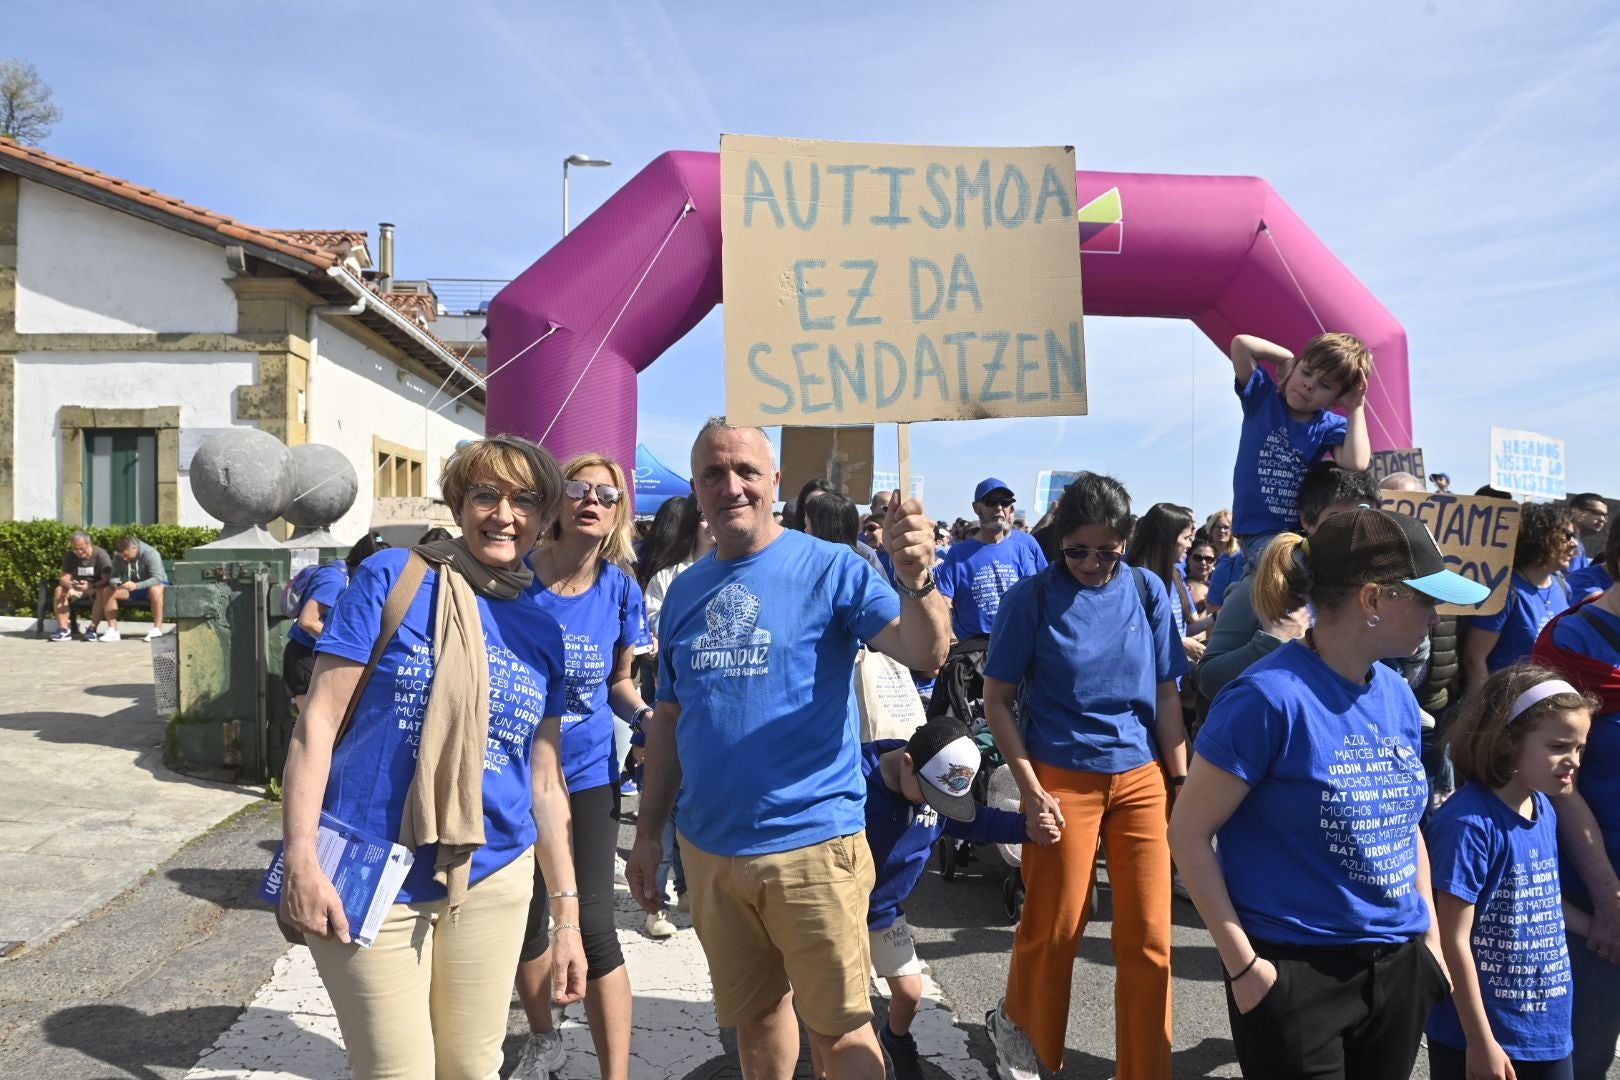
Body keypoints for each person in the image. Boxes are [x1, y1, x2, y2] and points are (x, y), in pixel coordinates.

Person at [626, 417, 949, 1080]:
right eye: (714, 473)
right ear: (696, 487)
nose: (732, 485)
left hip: (813, 847)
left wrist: (918, 580)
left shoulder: (829, 567)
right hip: (711, 851)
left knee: (841, 1033)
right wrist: (650, 833)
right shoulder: (684, 590)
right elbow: (669, 717)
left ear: (774, 481)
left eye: (746, 470)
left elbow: (925, 651)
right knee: (757, 1022)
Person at [277, 435, 586, 1079]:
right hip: (366, 869)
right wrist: (302, 861)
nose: (506, 514)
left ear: (546, 515)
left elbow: (545, 779)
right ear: (458, 502)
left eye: (526, 500)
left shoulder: (543, 628)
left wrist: (567, 918)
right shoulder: (393, 577)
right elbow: (316, 727)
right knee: (396, 1070)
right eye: (486, 495)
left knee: (472, 1068)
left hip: (493, 875)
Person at [1170, 507, 1489, 1079]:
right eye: (1425, 599)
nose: (1437, 616)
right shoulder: (1267, 699)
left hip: (1397, 969)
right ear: (1373, 600)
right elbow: (1188, 833)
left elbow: (1404, 822)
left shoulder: (1393, 691)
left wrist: (1430, 946)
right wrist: (1246, 968)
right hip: (1294, 975)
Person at [982, 472, 1189, 1080]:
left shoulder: (1149, 590)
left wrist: (1183, 785)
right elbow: (998, 700)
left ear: (1126, 543)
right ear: (1059, 543)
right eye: (1078, 550)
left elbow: (1168, 695)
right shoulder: (1033, 597)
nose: (1094, 563)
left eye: (1108, 551)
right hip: (1058, 779)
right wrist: (1029, 787)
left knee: (1151, 939)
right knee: (1056, 929)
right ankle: (1028, 1046)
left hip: (1141, 778)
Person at [510, 453, 653, 1080]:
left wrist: (648, 720)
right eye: (579, 488)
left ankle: (614, 1076)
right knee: (527, 919)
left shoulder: (621, 585)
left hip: (590, 775)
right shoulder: (514, 576)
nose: (592, 499)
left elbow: (621, 683)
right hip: (512, 774)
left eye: (607, 492)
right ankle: (544, 1036)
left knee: (594, 926)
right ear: (557, 501)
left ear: (618, 511)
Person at [830, 717, 1057, 1080]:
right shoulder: (851, 776)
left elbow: (977, 821)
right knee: (843, 1008)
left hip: (884, 911)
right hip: (838, 910)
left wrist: (1025, 828)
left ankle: (896, 1039)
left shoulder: (936, 792)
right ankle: (832, 1062)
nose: (933, 805)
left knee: (909, 993)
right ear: (907, 762)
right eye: (929, 794)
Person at [1424, 665, 1594, 1080]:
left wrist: (1594, 927)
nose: (1572, 761)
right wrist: (1480, 1041)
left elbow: (1537, 899)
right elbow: (1452, 939)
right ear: (1508, 741)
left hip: (1545, 1028)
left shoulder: (1544, 809)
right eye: (1558, 746)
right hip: (1481, 1037)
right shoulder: (1468, 824)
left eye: (1580, 748)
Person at [1533, 575, 1620, 1080]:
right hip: (1594, 880)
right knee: (1582, 1052)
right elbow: (1557, 781)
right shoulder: (1572, 641)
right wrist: (1609, 900)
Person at [1196, 463, 1379, 701]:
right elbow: (1209, 679)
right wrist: (1274, 641)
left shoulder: (1377, 592)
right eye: (1338, 520)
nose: (1353, 533)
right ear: (1307, 521)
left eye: (1365, 520)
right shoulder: (1266, 585)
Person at [1226, 332, 1372, 568]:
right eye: (1306, 372)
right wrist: (1286, 359)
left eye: (1324, 385)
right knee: (1293, 570)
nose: (1309, 385)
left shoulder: (1329, 426)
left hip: (1299, 533)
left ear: (1338, 396)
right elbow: (1241, 344)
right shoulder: (1263, 398)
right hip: (1258, 533)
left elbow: (1356, 462)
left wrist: (1356, 407)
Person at [1463, 502, 1580, 697]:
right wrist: (1482, 713)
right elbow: (1474, 658)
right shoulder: (1504, 589)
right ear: (1541, 535)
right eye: (1567, 535)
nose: (1574, 544)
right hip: (1503, 705)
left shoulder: (1562, 587)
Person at [283, 533, 389, 713]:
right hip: (305, 657)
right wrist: (345, 644)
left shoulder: (348, 577)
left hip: (321, 657)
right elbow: (307, 621)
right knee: (313, 727)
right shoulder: (334, 580)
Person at [936, 477, 1047, 643]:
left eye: (1005, 502)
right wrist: (950, 638)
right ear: (976, 508)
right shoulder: (958, 554)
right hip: (974, 650)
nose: (999, 508)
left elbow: (1035, 597)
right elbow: (944, 601)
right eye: (991, 502)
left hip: (1016, 644)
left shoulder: (1020, 550)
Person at [1128, 502, 1212, 670]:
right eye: (1186, 538)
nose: (1190, 545)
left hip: (1173, 678)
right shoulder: (1131, 578)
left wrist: (1215, 618)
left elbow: (1182, 629)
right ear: (1167, 538)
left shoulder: (1176, 575)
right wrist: (1178, 643)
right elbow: (1131, 634)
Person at [95, 534, 168, 641]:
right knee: (107, 591)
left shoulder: (151, 553)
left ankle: (157, 630)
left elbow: (157, 578)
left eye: (127, 555)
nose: (124, 559)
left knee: (155, 590)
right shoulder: (118, 557)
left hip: (154, 585)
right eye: (122, 556)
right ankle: (113, 630)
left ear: (134, 548)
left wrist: (136, 585)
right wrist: (116, 583)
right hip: (132, 587)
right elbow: (113, 576)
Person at [50, 531, 111, 642]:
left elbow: (106, 579)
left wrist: (92, 585)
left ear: (89, 544)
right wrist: (70, 584)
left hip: (95, 587)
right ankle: (63, 630)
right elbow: (63, 577)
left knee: (102, 591)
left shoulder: (100, 554)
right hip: (76, 587)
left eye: (81, 548)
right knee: (59, 590)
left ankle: (92, 629)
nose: (78, 552)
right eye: (75, 549)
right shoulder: (70, 556)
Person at [1567, 493, 1610, 573]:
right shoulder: (1563, 542)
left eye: (1605, 516)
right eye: (1596, 513)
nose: (1602, 519)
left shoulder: (1579, 545)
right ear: (1575, 511)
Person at [1184, 539, 1218, 614]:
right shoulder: (1184, 586)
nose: (1203, 563)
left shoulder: (1218, 585)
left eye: (1208, 559)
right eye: (1197, 558)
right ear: (1188, 559)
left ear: (1214, 562)